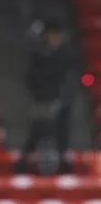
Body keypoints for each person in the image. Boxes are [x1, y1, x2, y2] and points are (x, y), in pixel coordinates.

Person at [16, 21, 79, 175]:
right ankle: (22, 165)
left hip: (61, 102)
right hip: (42, 100)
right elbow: (31, 77)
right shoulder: (39, 53)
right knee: (37, 132)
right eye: (51, 34)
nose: (54, 38)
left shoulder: (66, 54)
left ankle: (66, 169)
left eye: (57, 35)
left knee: (62, 136)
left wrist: (62, 99)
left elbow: (71, 79)